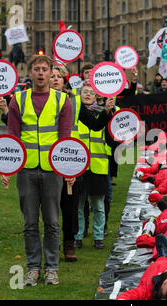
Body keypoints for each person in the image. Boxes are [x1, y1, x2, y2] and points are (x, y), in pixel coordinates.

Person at [2, 54, 74, 286]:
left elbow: (65, 138)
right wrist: (6, 167)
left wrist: (68, 169)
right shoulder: (18, 100)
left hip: (53, 170)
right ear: (30, 73)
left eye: (45, 69)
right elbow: (12, 136)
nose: (41, 73)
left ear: (51, 71)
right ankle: (33, 268)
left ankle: (51, 268)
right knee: (30, 223)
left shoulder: (63, 101)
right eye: (37, 69)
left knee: (53, 222)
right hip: (26, 170)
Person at [75, 81, 116, 250]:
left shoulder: (104, 113)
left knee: (98, 206)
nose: (87, 94)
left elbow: (112, 138)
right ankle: (78, 235)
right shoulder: (74, 112)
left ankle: (98, 236)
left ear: (96, 96)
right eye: (84, 91)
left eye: (91, 92)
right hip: (78, 166)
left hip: (98, 165)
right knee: (78, 204)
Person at [50, 65, 80, 262]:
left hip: (70, 160)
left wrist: (108, 110)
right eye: (51, 76)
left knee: (70, 207)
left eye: (58, 76)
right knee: (50, 209)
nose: (54, 79)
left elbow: (94, 122)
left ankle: (69, 243)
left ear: (64, 80)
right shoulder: (39, 101)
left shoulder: (74, 102)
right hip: (48, 162)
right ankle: (52, 244)